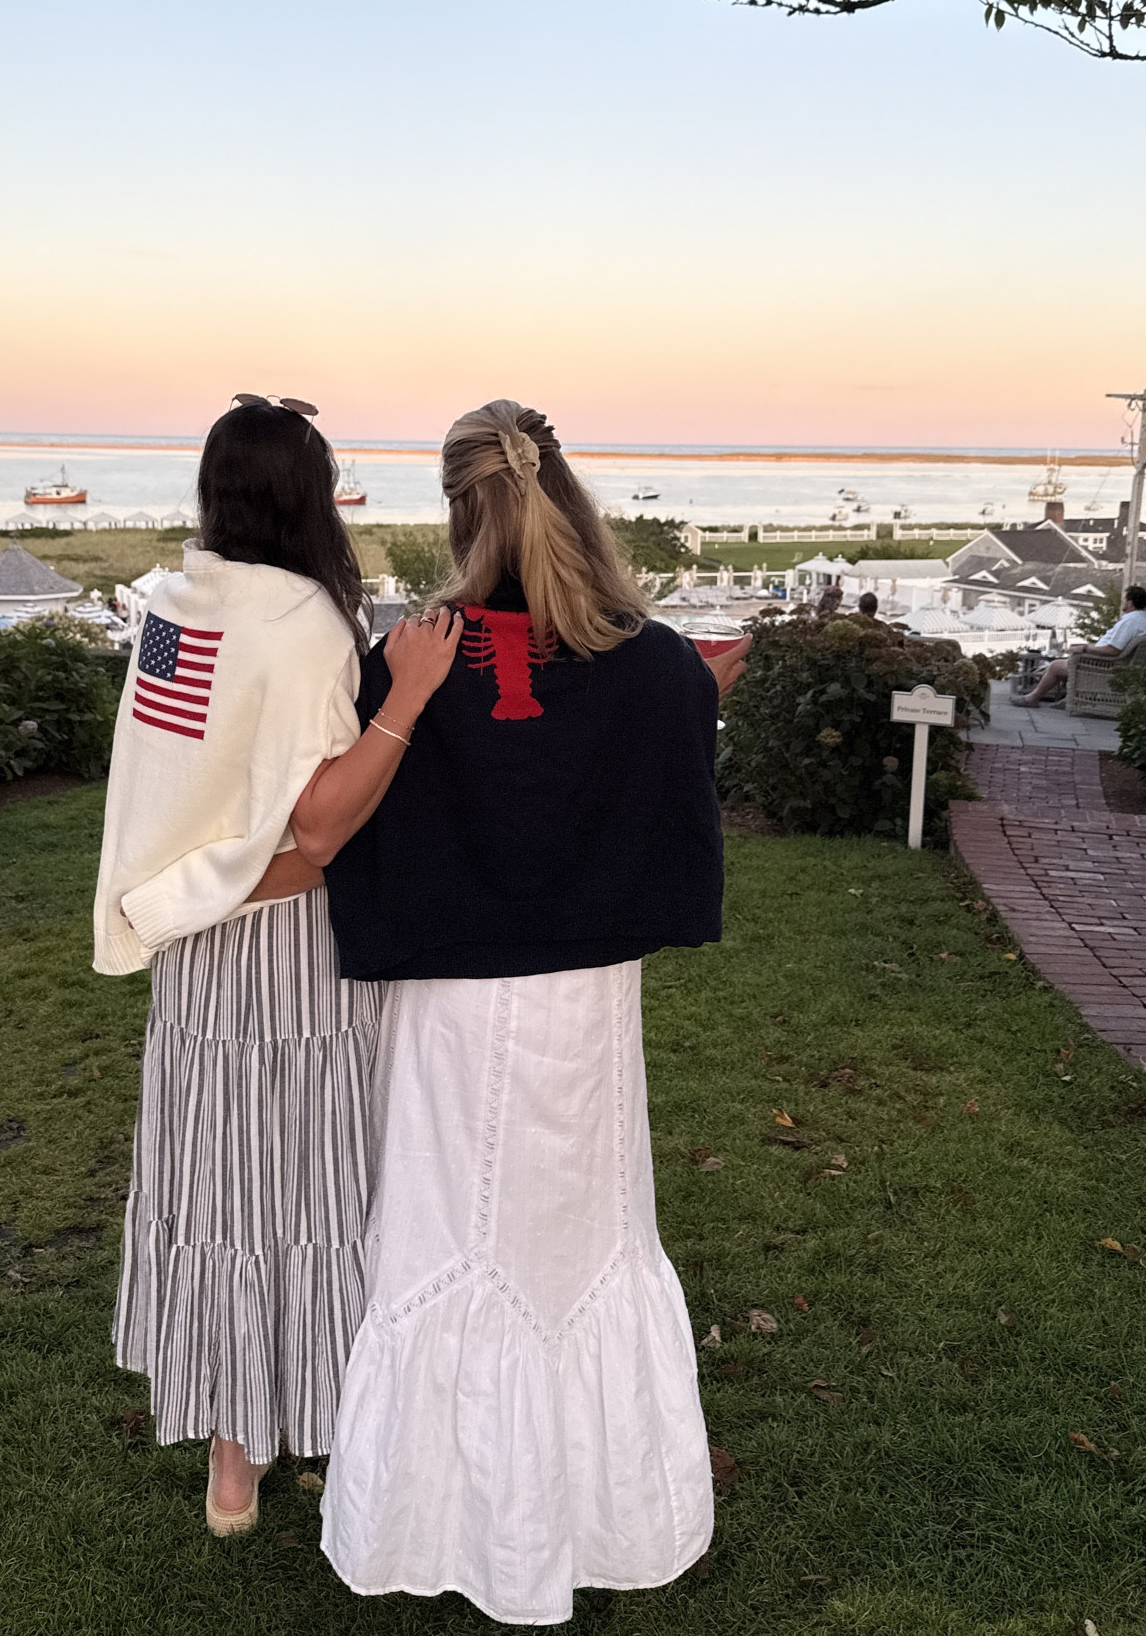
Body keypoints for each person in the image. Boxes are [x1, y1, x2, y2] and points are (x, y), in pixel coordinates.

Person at [315, 399, 749, 1627]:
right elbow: (663, 801)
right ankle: (601, 1512)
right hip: (589, 1000)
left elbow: (363, 817)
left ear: (459, 508)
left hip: (451, 1002)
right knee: (581, 1242)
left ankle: (446, 1517)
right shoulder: (655, 660)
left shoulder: (413, 657)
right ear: (568, 492)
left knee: (453, 1242)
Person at [93, 398, 460, 1537]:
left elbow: (176, 784)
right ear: (308, 494)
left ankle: (232, 1457)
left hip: (196, 950)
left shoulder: (170, 603)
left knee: (219, 1182)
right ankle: (339, 1414)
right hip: (289, 945)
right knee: (310, 1179)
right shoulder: (301, 619)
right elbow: (321, 823)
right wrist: (407, 694)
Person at [1011, 583, 1146, 706]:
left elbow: (1112, 649)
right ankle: (1069, 700)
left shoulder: (1130, 621)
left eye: (1124, 599)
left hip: (1105, 665)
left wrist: (1085, 648)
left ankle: (1033, 698)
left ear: (1129, 603)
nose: (1122, 603)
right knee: (1064, 661)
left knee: (1055, 666)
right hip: (1122, 663)